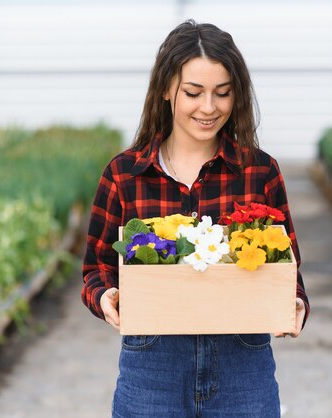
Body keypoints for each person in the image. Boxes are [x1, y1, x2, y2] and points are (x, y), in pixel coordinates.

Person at [82, 19, 309, 418]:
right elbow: (96, 268)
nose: (209, 108)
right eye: (193, 92)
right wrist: (106, 297)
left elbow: (289, 269)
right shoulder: (125, 174)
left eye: (222, 93)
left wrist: (296, 303)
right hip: (153, 367)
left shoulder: (259, 171)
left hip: (243, 364)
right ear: (167, 90)